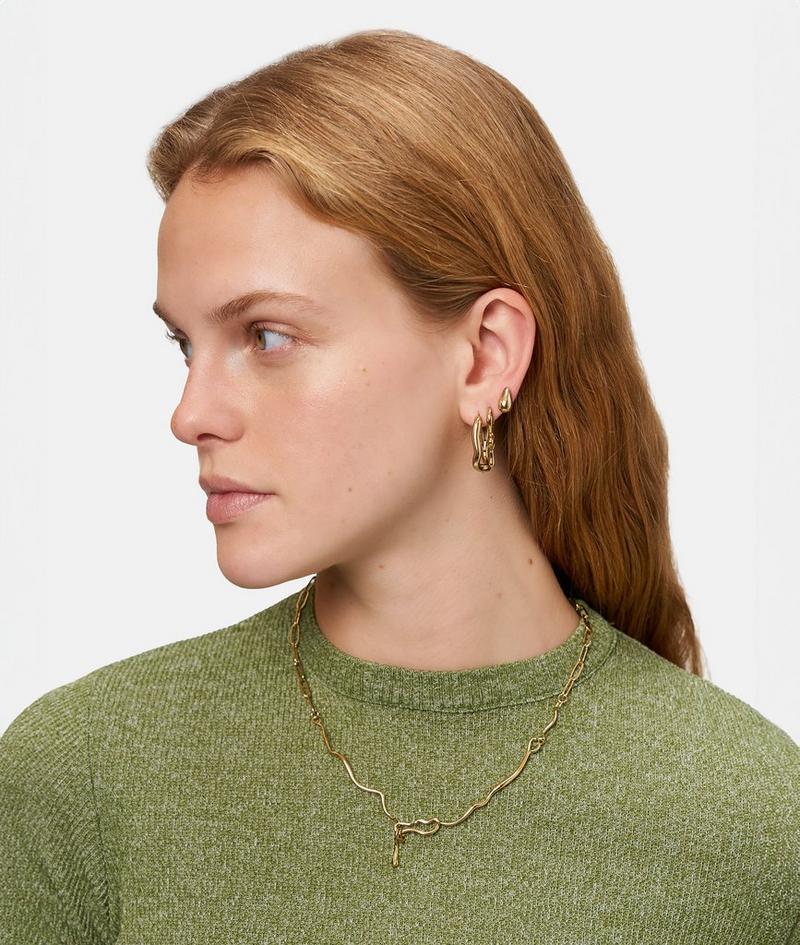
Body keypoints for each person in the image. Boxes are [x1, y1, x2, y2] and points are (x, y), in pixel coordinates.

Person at [1, 27, 797, 945]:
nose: (191, 413)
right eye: (186, 345)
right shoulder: (86, 778)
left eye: (266, 336)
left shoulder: (752, 822)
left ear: (484, 355)